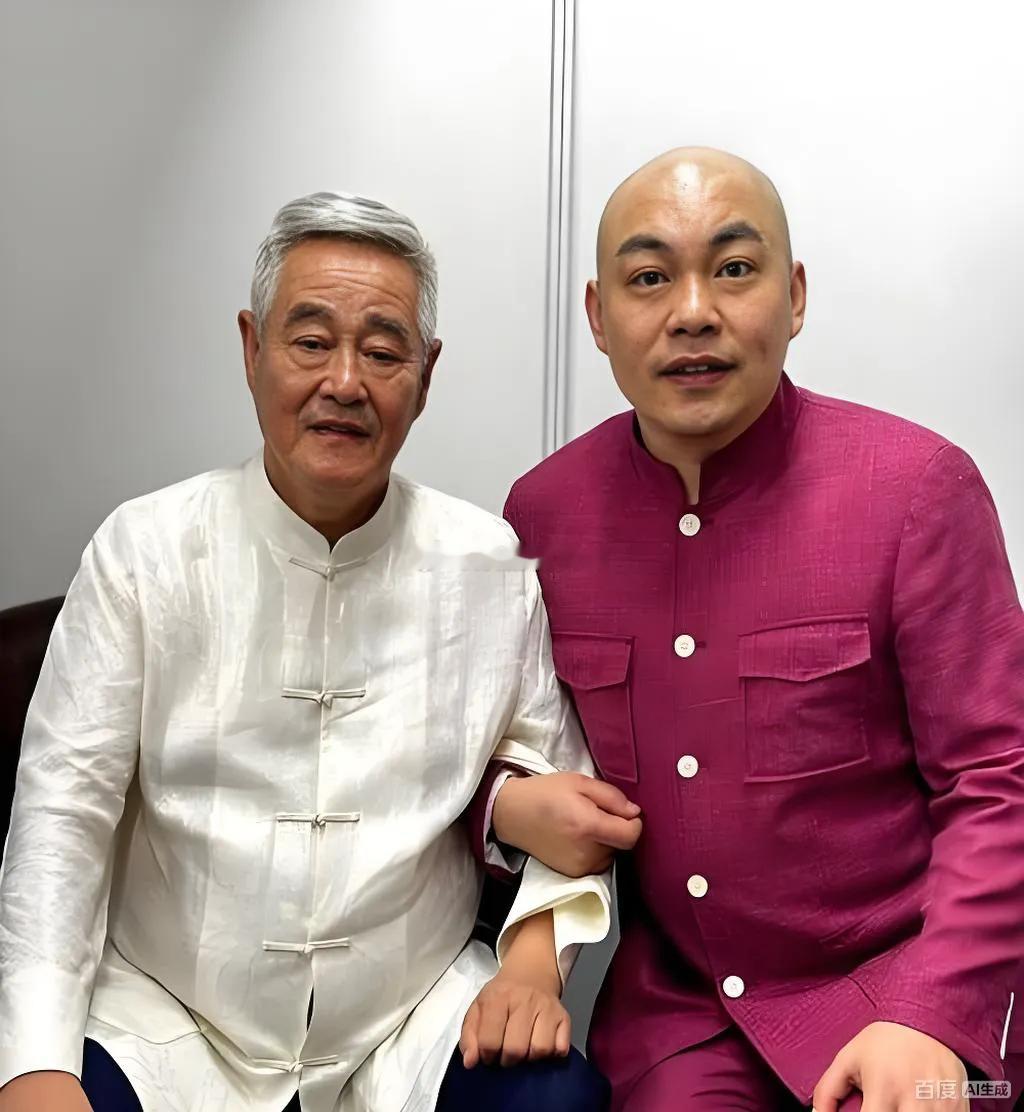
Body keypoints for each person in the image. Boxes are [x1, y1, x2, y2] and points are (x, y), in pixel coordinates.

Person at [0, 192, 615, 1112]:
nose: (345, 381)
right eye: (312, 341)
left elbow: (560, 788)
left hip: (407, 1020)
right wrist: (34, 1060)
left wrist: (531, 965)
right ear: (252, 350)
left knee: (555, 1100)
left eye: (384, 351)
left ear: (426, 375)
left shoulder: (486, 565)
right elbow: (63, 814)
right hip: (169, 1020)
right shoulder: (144, 550)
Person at [487, 147, 1024, 1111]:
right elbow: (502, 747)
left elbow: (1000, 778)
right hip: (684, 1022)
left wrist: (933, 1011)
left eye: (734, 268)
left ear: (796, 295)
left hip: (908, 996)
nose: (693, 311)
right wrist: (504, 807)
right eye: (650, 278)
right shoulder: (543, 516)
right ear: (598, 317)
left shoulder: (917, 489)